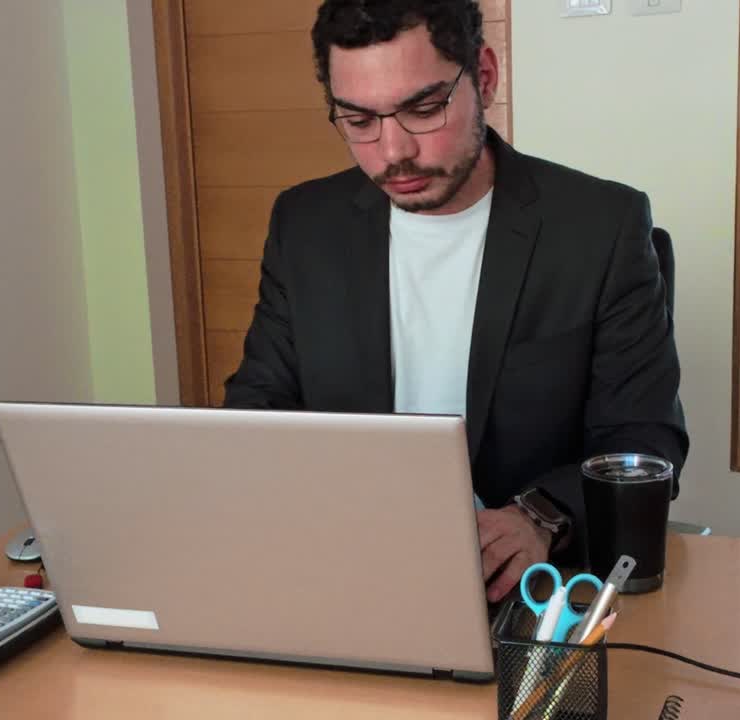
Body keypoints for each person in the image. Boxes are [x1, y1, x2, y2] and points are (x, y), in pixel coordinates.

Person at [224, 0, 688, 602]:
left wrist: (540, 519)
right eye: (359, 120)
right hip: (349, 566)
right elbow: (257, 410)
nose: (393, 151)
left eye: (422, 109)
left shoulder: (599, 229)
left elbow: (645, 442)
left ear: (485, 78)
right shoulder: (305, 225)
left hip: (527, 588)